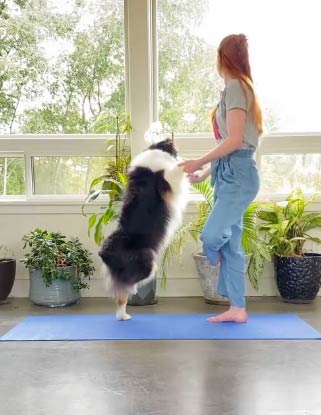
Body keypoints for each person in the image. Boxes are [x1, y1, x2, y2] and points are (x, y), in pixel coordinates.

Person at [179, 34, 262, 323]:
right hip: (229, 174)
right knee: (232, 244)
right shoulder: (231, 90)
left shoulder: (237, 87)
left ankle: (214, 254)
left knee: (212, 236)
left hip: (239, 176)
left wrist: (199, 160)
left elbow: (236, 141)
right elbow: (229, 145)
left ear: (221, 58)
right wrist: (203, 172)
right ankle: (237, 308)